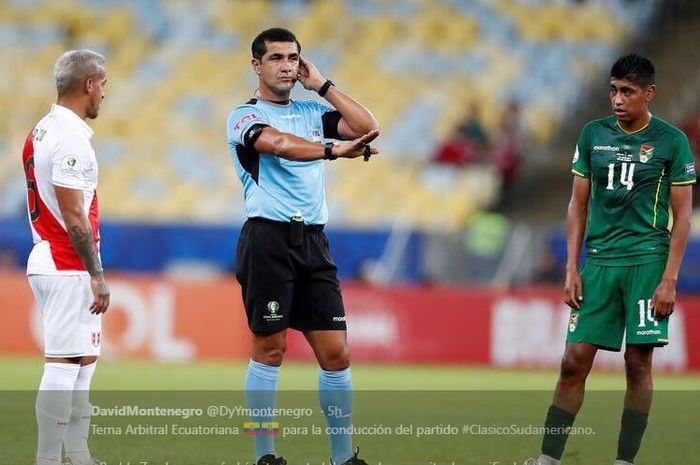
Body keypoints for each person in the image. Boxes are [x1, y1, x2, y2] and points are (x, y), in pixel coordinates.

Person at [524, 54, 695, 465]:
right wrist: (571, 267)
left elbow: (684, 214)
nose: (617, 99)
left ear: (649, 93)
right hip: (599, 263)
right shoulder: (592, 135)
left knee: (637, 363)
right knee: (572, 361)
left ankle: (624, 461)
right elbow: (576, 205)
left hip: (647, 262)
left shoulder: (672, 141)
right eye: (613, 90)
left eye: (628, 92)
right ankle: (548, 458)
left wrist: (670, 278)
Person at [226, 28, 379, 465]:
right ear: (257, 65)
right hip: (268, 239)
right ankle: (265, 456)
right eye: (276, 58)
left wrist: (324, 86)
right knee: (270, 349)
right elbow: (277, 144)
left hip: (313, 241)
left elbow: (369, 128)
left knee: (336, 353)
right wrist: (332, 150)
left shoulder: (313, 109)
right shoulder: (243, 114)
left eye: (293, 58)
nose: (287, 66)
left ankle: (341, 457)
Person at [23, 50, 110, 465]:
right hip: (66, 261)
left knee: (83, 358)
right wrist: (97, 273)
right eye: (103, 84)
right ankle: (46, 458)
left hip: (54, 257)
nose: (105, 94)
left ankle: (77, 453)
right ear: (88, 84)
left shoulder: (42, 129)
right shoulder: (70, 137)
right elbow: (74, 216)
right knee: (62, 363)